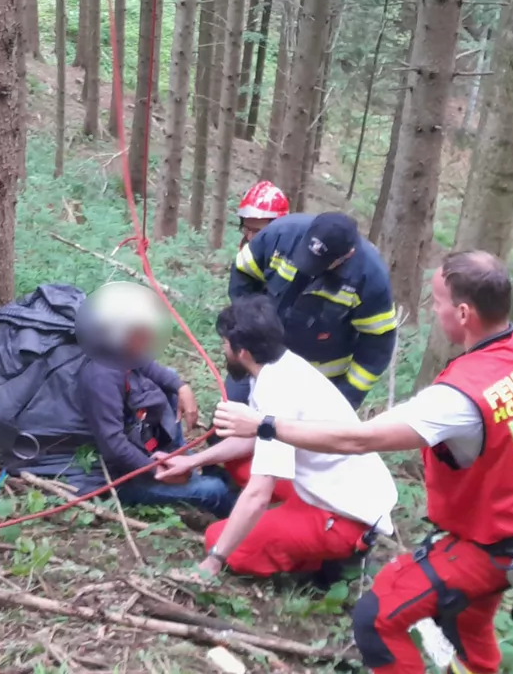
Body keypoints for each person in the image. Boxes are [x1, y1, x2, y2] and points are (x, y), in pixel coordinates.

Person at [213, 251, 513, 674]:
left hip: (494, 541)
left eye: (437, 301)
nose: (432, 309)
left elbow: (358, 439)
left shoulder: (457, 399)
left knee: (378, 619)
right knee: (466, 626)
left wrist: (263, 424)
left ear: (463, 312)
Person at [156, 295, 397, 579]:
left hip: (343, 516)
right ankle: (276, 527)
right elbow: (254, 437)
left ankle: (327, 561)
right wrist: (192, 461)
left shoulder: (278, 392)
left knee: (217, 539)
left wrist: (215, 559)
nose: (223, 350)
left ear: (242, 352)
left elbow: (258, 493)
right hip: (326, 482)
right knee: (238, 460)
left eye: (225, 345)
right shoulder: (277, 367)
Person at [74, 282, 235, 517]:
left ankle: (180, 456)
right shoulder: (102, 377)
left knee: (169, 377)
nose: (149, 336)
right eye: (142, 331)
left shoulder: (121, 350)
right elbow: (114, 446)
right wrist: (158, 471)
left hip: (145, 449)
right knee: (215, 489)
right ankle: (238, 524)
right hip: (126, 476)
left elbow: (152, 369)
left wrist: (182, 388)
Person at [229, 211, 397, 410]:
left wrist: (345, 398)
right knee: (229, 420)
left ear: (347, 255)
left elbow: (377, 346)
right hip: (258, 359)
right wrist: (247, 328)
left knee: (288, 438)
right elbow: (243, 273)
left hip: (317, 382)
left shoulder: (370, 279)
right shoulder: (281, 234)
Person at [235, 180, 290, 248]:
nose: (249, 237)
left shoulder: (293, 255)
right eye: (246, 229)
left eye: (257, 232)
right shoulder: (245, 247)